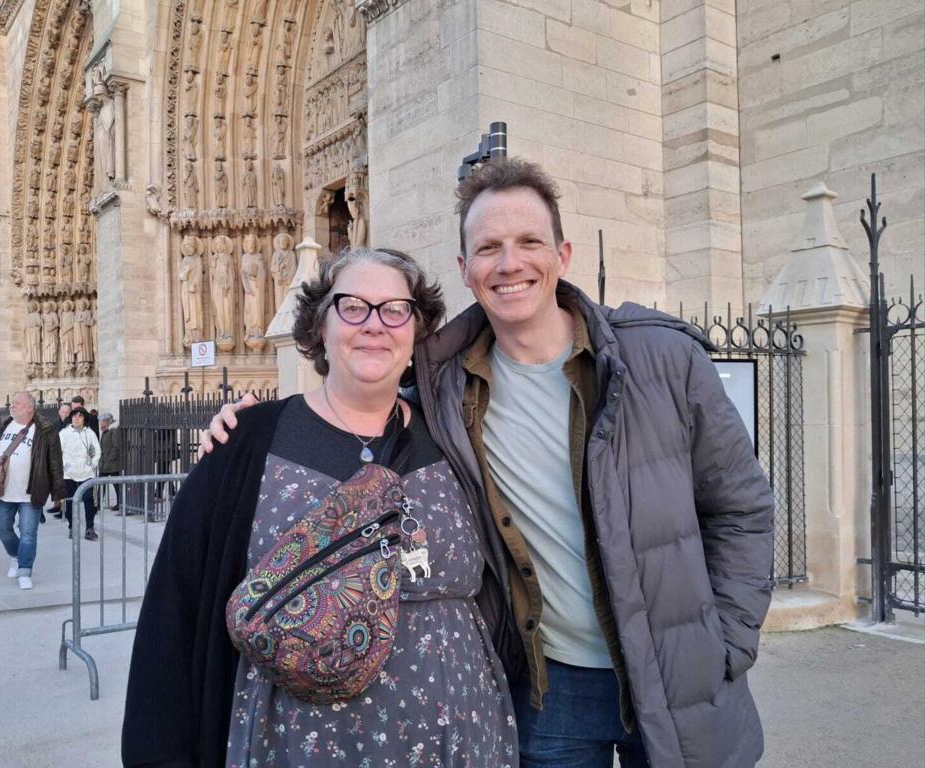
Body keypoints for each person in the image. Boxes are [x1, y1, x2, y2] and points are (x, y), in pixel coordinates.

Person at [202, 158, 776, 768]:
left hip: (677, 677)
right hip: (547, 692)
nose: (509, 263)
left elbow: (741, 509)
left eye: (529, 241)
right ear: (465, 268)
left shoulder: (663, 360)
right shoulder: (444, 389)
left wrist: (726, 645)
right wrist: (252, 425)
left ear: (563, 254)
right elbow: (357, 404)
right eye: (488, 247)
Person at [123, 248, 518, 768]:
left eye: (395, 309)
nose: (374, 324)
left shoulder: (452, 435)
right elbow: (175, 610)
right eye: (352, 307)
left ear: (416, 331)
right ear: (319, 326)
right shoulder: (247, 442)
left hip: (463, 738)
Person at [0, 391, 64, 589]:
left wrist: (58, 492)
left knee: (28, 533)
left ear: (30, 407)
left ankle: (25, 570)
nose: (12, 405)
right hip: (4, 491)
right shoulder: (3, 425)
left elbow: (55, 461)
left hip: (31, 492)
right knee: (1, 527)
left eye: (17, 403)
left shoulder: (45, 430)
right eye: (12, 402)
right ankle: (16, 555)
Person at [60, 406, 102, 541]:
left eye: (80, 416)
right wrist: (66, 467)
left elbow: (96, 450)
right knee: (70, 501)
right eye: (74, 416)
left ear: (84, 419)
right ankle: (72, 527)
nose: (76, 418)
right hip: (69, 474)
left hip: (86, 472)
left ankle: (90, 528)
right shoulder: (64, 433)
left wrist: (92, 465)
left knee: (89, 500)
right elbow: (58, 452)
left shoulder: (90, 433)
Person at [98, 411, 122, 512]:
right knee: (101, 484)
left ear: (107, 421)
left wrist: (110, 459)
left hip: (113, 464)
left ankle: (120, 503)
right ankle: (98, 503)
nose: (100, 423)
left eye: (102, 421)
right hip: (105, 463)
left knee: (116, 484)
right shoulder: (105, 431)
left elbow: (116, 447)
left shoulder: (114, 430)